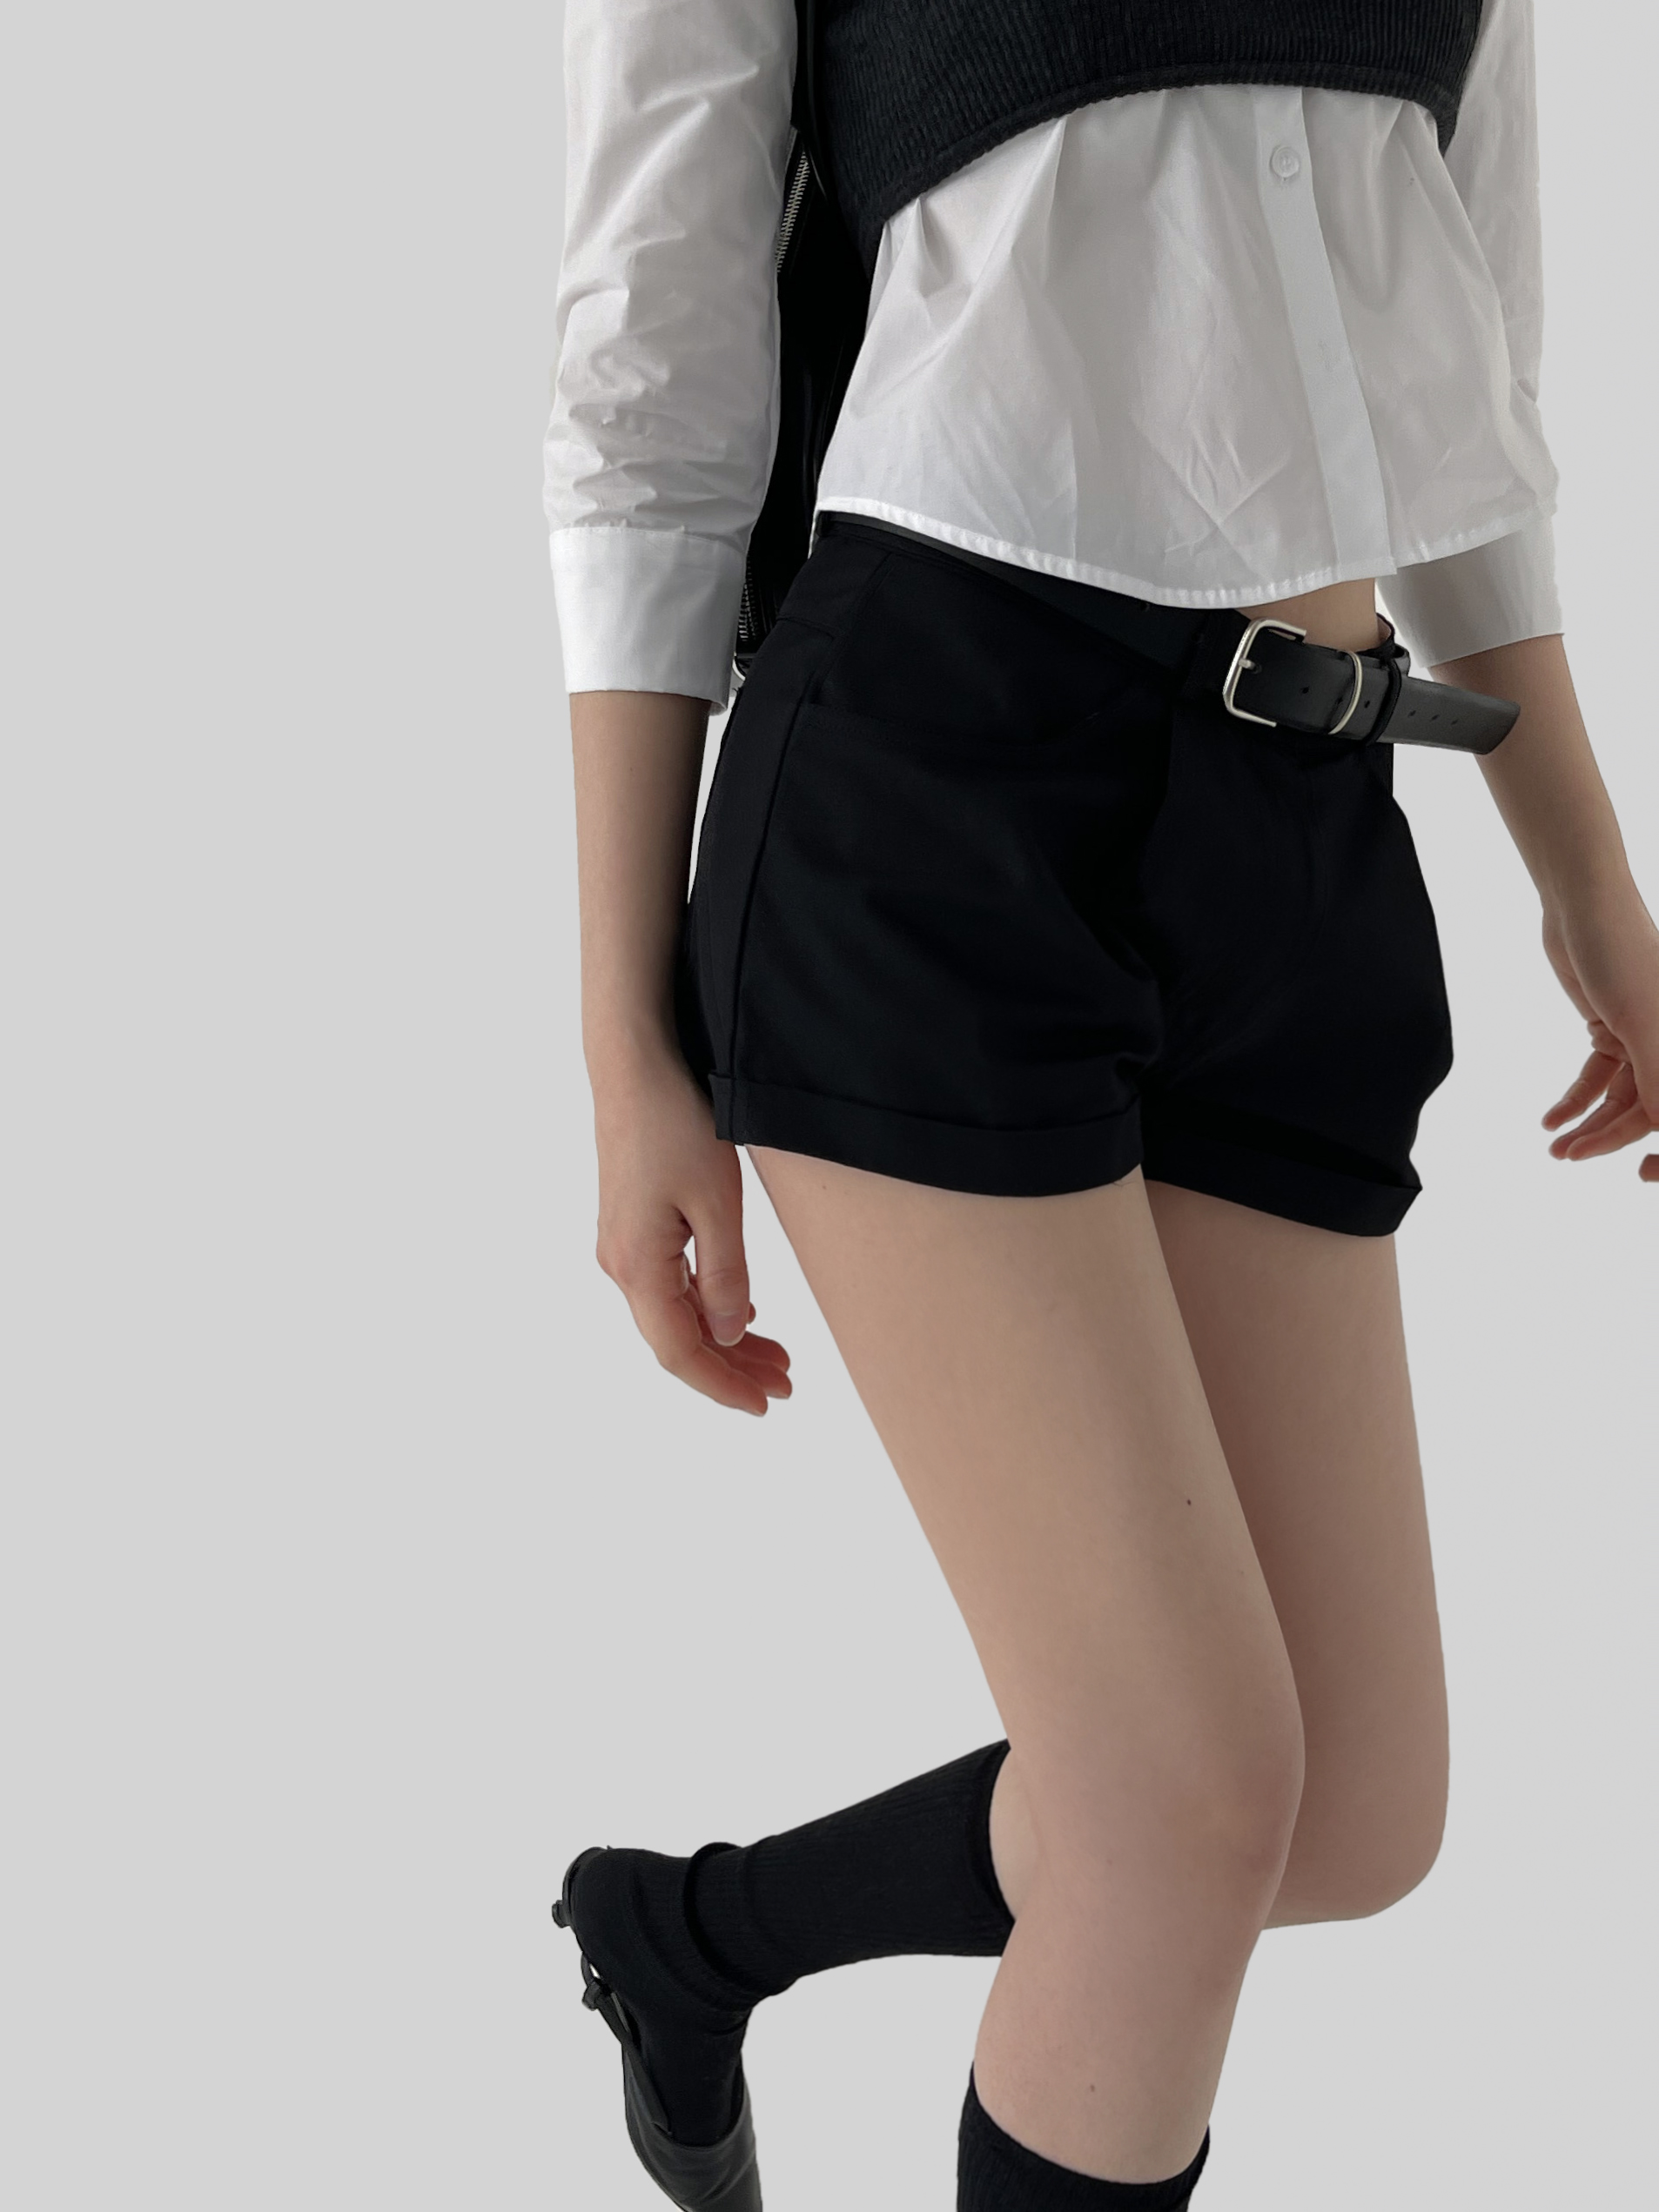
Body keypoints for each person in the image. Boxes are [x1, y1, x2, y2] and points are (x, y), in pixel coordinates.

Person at [543, 3, 1659, 2206]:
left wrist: (1587, 879)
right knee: (1175, 1802)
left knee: (1342, 1808)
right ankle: (700, 1943)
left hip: (1301, 807)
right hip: (928, 786)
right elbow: (648, 394)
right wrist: (619, 1043)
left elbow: (1460, 392)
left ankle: (692, 1937)